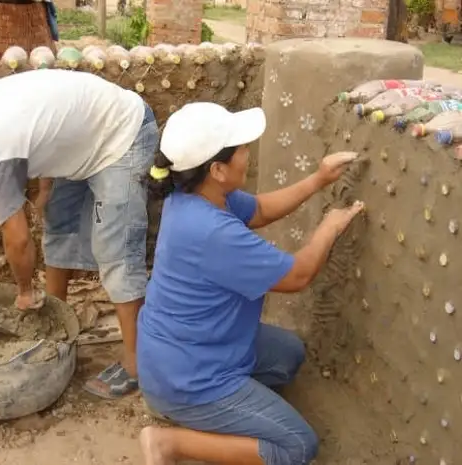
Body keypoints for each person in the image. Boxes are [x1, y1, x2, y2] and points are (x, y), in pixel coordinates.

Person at [0, 69, 159, 400]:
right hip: (86, 140)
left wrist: (24, 290)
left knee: (116, 253)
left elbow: (18, 239)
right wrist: (47, 187)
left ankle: (138, 367)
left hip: (122, 134)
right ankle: (55, 326)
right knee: (59, 228)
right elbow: (45, 128)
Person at [136, 102, 365, 465]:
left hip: (181, 352)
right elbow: (298, 276)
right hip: (186, 377)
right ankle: (171, 442)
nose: (248, 153)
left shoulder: (195, 196)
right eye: (241, 148)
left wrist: (319, 179)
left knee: (288, 355)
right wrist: (330, 226)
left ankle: (215, 410)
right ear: (217, 169)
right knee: (297, 446)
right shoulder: (212, 231)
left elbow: (258, 210)